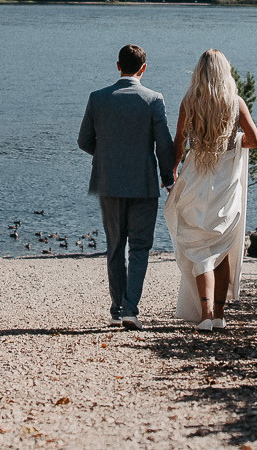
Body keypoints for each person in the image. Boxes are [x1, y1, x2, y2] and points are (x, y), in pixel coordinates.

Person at [77, 43, 176, 329]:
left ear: (118, 66)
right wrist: (168, 178)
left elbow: (84, 141)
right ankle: (131, 309)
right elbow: (163, 144)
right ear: (143, 69)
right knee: (141, 246)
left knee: (115, 246)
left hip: (108, 182)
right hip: (144, 184)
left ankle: (117, 309)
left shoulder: (98, 98)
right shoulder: (154, 99)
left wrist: (108, 155)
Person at [165, 48, 257, 332]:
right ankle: (219, 315)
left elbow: (179, 141)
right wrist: (232, 143)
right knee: (221, 248)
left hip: (196, 180)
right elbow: (254, 140)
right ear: (225, 71)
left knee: (200, 251)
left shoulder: (190, 101)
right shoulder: (235, 103)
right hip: (225, 184)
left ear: (199, 72)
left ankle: (206, 314)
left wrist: (172, 170)